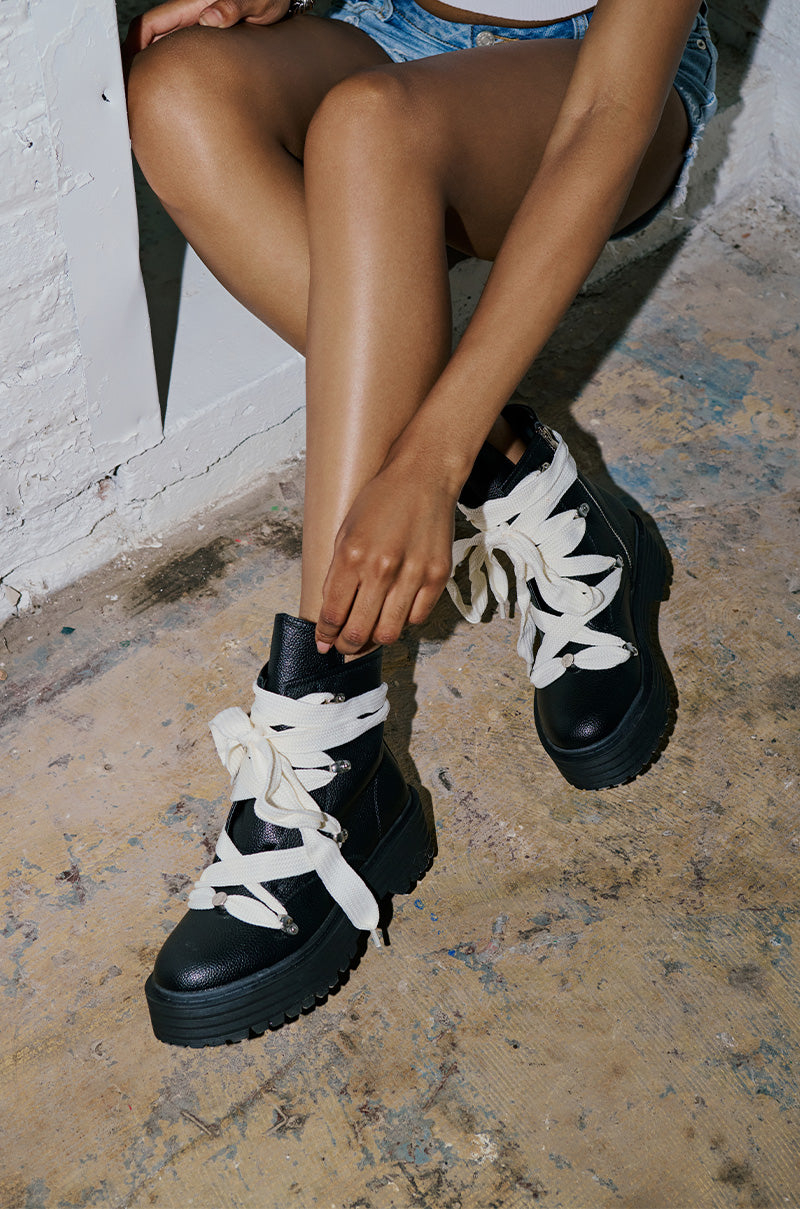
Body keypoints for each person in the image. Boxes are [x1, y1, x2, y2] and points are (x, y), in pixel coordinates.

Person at [124, 0, 718, 1046]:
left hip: (593, 79)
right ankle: (529, 483)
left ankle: (329, 729)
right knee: (178, 93)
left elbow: (606, 120)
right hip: (384, 27)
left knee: (371, 125)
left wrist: (434, 457)